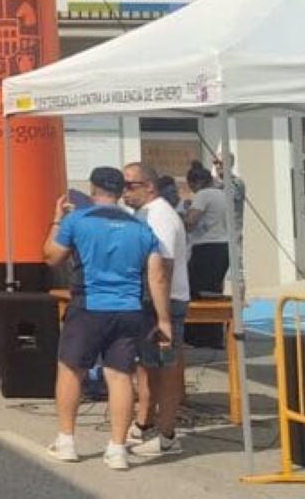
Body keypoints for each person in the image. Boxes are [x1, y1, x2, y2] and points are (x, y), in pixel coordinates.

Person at [44, 166, 172, 471]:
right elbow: (157, 276)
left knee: (71, 370)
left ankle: (66, 441)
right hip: (129, 310)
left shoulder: (77, 220)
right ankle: (117, 448)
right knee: (120, 376)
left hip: (89, 305)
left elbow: (51, 257)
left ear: (93, 189)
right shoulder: (141, 227)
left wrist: (57, 219)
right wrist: (164, 319)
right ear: (120, 192)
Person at [123, 162, 188, 458]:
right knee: (147, 364)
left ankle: (167, 433)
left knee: (166, 367)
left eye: (130, 185)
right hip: (148, 301)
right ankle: (145, 421)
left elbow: (162, 267)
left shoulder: (160, 216)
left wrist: (163, 317)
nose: (125, 191)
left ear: (149, 186)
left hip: (163, 300)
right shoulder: (143, 214)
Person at [181, 160, 231, 347]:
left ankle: (196, 336)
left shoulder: (202, 195)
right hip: (223, 246)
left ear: (193, 183)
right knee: (214, 292)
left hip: (206, 247)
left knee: (196, 292)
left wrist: (182, 216)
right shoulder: (222, 194)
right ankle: (214, 337)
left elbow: (191, 221)